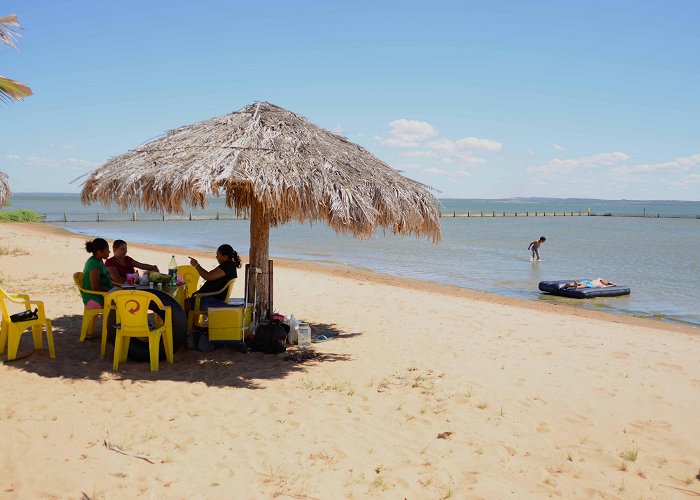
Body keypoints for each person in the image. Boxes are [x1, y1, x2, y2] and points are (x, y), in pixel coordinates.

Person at [185, 244, 241, 312]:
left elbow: (207, 276)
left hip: (213, 299)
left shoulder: (227, 266)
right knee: (186, 301)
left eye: (218, 255)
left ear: (225, 257)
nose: (216, 257)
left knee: (183, 304)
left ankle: (185, 322)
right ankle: (190, 322)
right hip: (213, 296)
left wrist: (196, 265)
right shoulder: (230, 265)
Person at [81, 238, 114, 309]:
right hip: (93, 298)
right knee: (121, 302)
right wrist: (112, 290)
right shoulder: (94, 264)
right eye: (107, 249)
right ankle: (111, 320)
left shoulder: (99, 261)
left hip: (100, 295)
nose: (109, 252)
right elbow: (95, 287)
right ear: (99, 251)